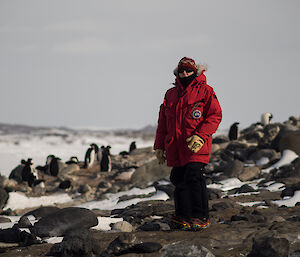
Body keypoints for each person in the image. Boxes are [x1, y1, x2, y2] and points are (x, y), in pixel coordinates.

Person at [154, 57, 222, 231]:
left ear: (195, 72)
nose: (185, 74)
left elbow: (214, 116)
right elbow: (162, 122)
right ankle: (182, 216)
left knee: (194, 177)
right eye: (182, 71)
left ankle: (201, 217)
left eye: (188, 71)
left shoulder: (206, 91)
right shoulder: (170, 94)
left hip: (196, 145)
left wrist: (200, 136)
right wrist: (159, 146)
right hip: (176, 146)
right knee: (178, 179)